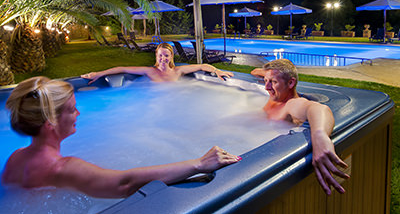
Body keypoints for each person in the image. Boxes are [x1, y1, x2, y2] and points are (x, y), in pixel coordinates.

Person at [1, 77, 241, 198]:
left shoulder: (15, 158)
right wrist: (199, 163)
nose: (78, 113)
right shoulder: (63, 168)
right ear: (50, 123)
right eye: (72, 109)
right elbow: (123, 183)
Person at [251, 59, 349, 195]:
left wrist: (320, 135)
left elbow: (317, 108)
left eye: (273, 82)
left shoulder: (291, 104)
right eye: (265, 80)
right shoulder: (277, 94)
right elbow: (256, 72)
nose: (266, 87)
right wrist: (267, 75)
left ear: (291, 83)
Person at [81, 42, 233, 83]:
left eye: (166, 56)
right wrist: (99, 74)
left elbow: (201, 66)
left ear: (171, 56)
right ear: (156, 56)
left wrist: (216, 71)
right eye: (160, 56)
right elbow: (122, 68)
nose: (163, 59)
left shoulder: (178, 71)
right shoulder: (149, 71)